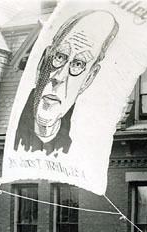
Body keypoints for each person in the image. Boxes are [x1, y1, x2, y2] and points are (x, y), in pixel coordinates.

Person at [14, 10, 119, 156]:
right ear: (42, 63)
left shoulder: (83, 142)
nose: (59, 77)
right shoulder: (14, 132)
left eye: (78, 64)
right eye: (59, 57)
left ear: (88, 79)